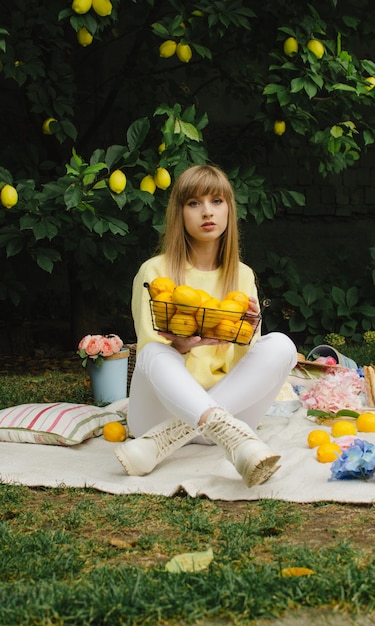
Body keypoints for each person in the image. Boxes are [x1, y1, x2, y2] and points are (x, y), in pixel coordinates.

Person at [114, 164, 297, 487]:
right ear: (179, 213)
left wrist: (248, 333)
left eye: (217, 201)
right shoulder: (154, 272)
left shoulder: (242, 275)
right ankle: (234, 440)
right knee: (154, 352)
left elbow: (250, 364)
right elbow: (148, 356)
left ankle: (162, 443)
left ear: (229, 209)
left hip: (227, 410)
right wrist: (182, 346)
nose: (207, 212)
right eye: (194, 203)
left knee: (281, 345)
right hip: (160, 412)